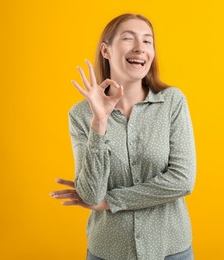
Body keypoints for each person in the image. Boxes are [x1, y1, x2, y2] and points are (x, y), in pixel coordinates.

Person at [50, 13, 196, 260]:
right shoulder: (81, 115)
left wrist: (111, 201)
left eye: (148, 41)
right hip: (108, 250)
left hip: (170, 248)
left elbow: (182, 180)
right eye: (129, 39)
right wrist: (100, 122)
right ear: (106, 50)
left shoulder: (172, 102)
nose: (140, 48)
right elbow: (91, 195)